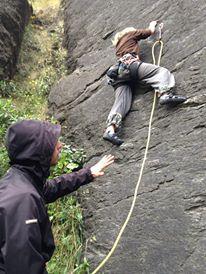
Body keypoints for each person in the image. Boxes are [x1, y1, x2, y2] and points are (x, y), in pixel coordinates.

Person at [0, 120, 114, 274]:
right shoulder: (22, 200)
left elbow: (51, 188)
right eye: (53, 142)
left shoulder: (21, 179)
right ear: (38, 150)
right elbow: (23, 267)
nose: (60, 145)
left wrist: (88, 173)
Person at [103, 21, 186, 146]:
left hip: (117, 75)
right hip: (130, 66)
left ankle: (110, 129)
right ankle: (165, 94)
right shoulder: (130, 34)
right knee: (160, 72)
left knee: (121, 102)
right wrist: (152, 24)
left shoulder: (118, 47)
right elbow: (149, 32)